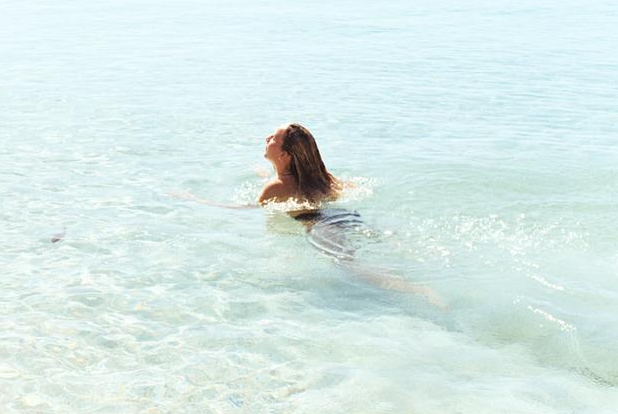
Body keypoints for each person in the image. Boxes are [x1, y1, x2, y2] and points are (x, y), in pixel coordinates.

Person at [172, 123, 445, 307]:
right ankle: (417, 278)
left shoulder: (275, 188)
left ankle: (416, 290)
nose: (266, 139)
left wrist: (194, 200)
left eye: (273, 139)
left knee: (351, 268)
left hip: (321, 227)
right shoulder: (322, 177)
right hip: (346, 216)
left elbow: (244, 210)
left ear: (285, 155)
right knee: (378, 251)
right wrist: (266, 174)